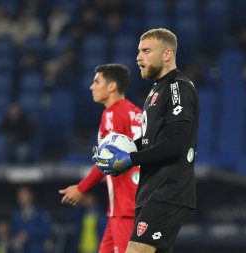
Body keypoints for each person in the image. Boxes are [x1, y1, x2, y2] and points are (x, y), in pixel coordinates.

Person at [94, 28, 200, 253]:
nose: (138, 57)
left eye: (146, 51)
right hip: (150, 191)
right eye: (138, 51)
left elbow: (174, 144)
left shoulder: (177, 87)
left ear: (167, 55)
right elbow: (152, 141)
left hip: (169, 189)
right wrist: (118, 152)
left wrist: (130, 158)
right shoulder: (155, 92)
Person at [59, 63, 142, 253]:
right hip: (132, 203)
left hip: (126, 208)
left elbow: (108, 160)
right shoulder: (137, 113)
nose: (91, 87)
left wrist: (81, 188)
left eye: (97, 81)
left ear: (111, 86)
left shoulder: (112, 113)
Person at [10, 186, 52, 253]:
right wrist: (17, 239)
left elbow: (47, 229)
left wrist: (28, 234)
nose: (22, 197)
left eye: (24, 194)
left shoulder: (40, 211)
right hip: (23, 250)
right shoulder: (16, 214)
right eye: (20, 195)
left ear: (30, 195)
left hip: (38, 248)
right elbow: (13, 232)